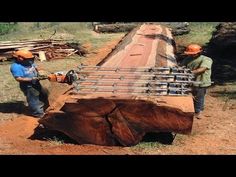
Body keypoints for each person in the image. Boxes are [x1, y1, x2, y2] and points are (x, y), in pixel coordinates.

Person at [10, 50, 49, 118]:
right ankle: (38, 113)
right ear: (20, 58)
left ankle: (44, 108)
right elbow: (18, 78)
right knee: (34, 99)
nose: (31, 60)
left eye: (31, 59)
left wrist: (41, 72)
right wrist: (31, 79)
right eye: (29, 59)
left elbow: (35, 67)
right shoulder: (16, 67)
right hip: (28, 86)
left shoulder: (29, 62)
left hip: (36, 82)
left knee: (43, 94)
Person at [180, 44, 213, 119]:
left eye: (192, 54)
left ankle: (198, 112)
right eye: (190, 54)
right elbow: (181, 67)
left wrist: (190, 72)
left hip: (201, 81)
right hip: (190, 81)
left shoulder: (206, 59)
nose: (191, 55)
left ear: (198, 52)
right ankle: (190, 109)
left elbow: (203, 69)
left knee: (199, 97)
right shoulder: (187, 59)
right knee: (190, 96)